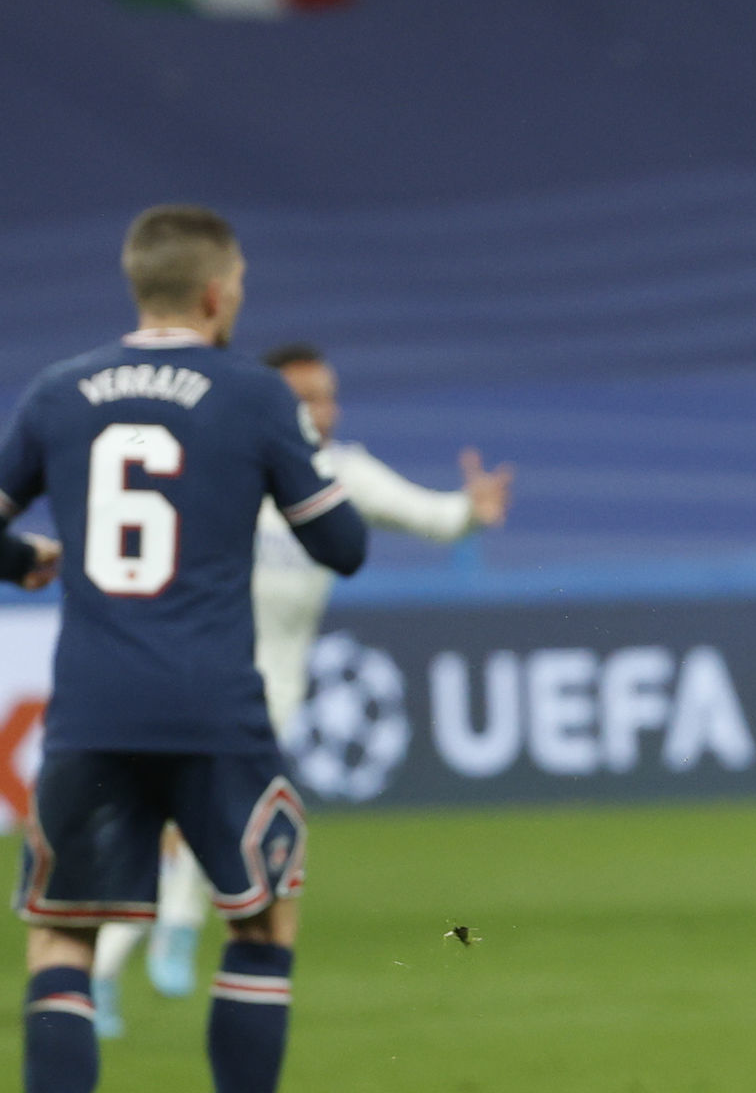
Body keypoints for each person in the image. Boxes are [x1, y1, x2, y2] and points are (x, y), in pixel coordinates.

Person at [0, 205, 367, 1093]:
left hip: (92, 711)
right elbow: (343, 546)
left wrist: (26, 560)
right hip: (214, 709)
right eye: (238, 284)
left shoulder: (57, 391)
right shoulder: (256, 394)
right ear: (214, 293)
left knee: (63, 941)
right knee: (262, 924)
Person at [89, 343, 513, 1034]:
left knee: (201, 827)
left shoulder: (342, 474)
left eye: (327, 395)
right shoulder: (221, 464)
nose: (322, 410)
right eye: (304, 397)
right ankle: (168, 937)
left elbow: (431, 516)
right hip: (200, 671)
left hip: (277, 689)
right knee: (200, 820)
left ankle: (115, 964)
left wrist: (472, 510)